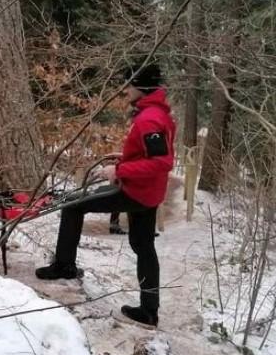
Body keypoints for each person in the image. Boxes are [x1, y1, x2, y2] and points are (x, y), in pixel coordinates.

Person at [36, 62, 175, 327]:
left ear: (140, 87)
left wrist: (120, 169)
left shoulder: (150, 119)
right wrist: (124, 158)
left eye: (129, 85)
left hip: (136, 192)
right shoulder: (156, 112)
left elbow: (162, 162)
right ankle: (149, 310)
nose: (125, 91)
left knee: (74, 205)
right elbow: (151, 155)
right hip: (148, 191)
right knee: (143, 246)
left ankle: (64, 265)